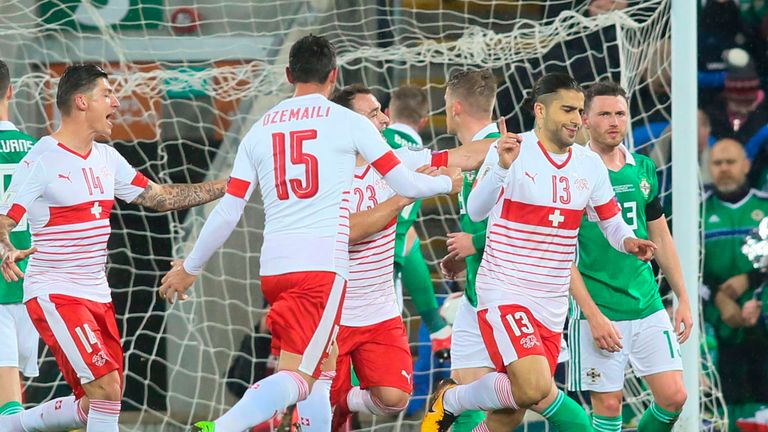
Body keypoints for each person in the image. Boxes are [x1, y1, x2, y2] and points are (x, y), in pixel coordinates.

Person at [157, 35, 461, 432]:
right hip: (321, 268)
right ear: (333, 75)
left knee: (318, 374)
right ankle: (223, 427)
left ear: (288, 75)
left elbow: (229, 210)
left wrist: (192, 267)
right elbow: (407, 181)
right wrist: (446, 185)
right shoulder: (348, 122)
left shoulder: (261, 127)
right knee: (302, 378)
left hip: (273, 271)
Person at [422, 73, 656, 432]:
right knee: (533, 387)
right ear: (540, 110)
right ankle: (450, 399)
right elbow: (475, 209)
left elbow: (611, 222)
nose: (577, 119)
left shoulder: (588, 164)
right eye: (567, 109)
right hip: (505, 290)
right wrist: (500, 167)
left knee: (513, 410)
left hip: (551, 302)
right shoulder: (513, 149)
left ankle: (458, 405)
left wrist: (629, 241)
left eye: (579, 110)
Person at [0, 63, 227, 432]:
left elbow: (159, 198)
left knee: (102, 400)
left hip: (97, 295)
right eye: (107, 94)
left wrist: (229, 186)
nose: (117, 103)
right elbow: (3, 220)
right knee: (106, 388)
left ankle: (11, 425)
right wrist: (6, 246)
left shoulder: (107, 158)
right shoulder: (42, 157)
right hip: (57, 293)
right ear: (81, 102)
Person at [292, 84, 495, 432]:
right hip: (333, 315)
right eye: (374, 114)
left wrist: (527, 145)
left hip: (380, 313)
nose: (385, 119)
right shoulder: (322, 176)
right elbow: (350, 230)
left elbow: (460, 158)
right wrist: (403, 196)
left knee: (395, 397)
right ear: (347, 122)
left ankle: (341, 401)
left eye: (382, 111)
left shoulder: (395, 160)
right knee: (317, 412)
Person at [566, 80, 691, 432]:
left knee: (675, 397)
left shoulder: (643, 168)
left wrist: (682, 296)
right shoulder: (571, 174)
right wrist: (591, 315)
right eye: (604, 114)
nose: (613, 121)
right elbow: (561, 254)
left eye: (620, 114)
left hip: (647, 302)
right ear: (585, 120)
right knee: (608, 406)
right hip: (599, 305)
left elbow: (661, 236)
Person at [437, 68, 522, 432]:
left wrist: (477, 242)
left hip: (515, 295)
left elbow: (526, 222)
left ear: (455, 107)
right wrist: (467, 253)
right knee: (472, 387)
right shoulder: (472, 156)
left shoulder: (504, 150)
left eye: (443, 104)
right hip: (477, 294)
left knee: (523, 399)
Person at [702, 138, 768, 428]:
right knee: (727, 401)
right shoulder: (697, 211)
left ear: (747, 165)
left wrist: (750, 280)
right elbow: (688, 265)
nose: (724, 169)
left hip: (761, 317)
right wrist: (719, 296)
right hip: (716, 324)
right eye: (717, 163)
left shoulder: (764, 207)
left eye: (730, 162)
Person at [383, 85, 452, 358]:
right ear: (423, 121)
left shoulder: (374, 141)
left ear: (387, 114)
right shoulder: (426, 162)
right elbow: (406, 235)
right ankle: (437, 328)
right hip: (384, 268)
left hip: (350, 256)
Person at [0, 59, 39, 418]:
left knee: (6, 400)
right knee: (14, 391)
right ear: (10, 91)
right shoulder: (37, 149)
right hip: (29, 281)